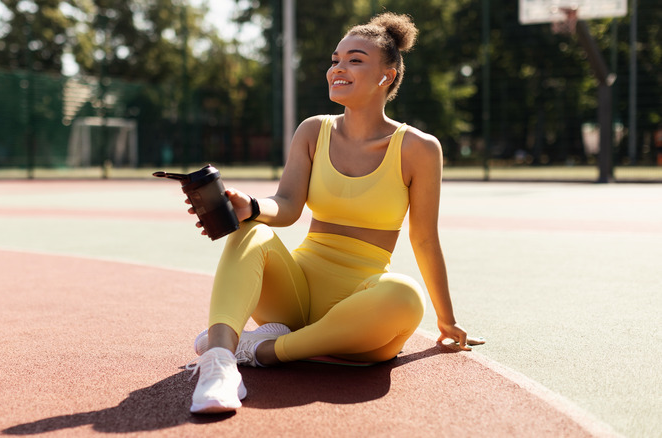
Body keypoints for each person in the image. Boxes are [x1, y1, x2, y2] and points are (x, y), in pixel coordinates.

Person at [184, 12, 484, 414]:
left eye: (355, 60)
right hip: (293, 299)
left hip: (358, 314)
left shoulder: (419, 148)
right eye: (335, 59)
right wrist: (251, 207)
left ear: (387, 76)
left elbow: (424, 238)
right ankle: (219, 364)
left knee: (406, 296)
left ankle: (264, 349)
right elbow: (287, 206)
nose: (338, 68)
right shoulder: (313, 130)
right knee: (249, 230)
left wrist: (446, 321)